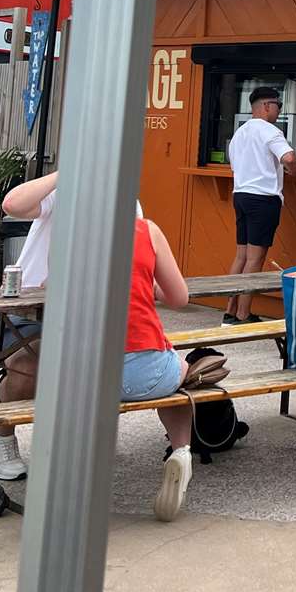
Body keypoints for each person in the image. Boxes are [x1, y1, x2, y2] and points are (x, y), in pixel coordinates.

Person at [0, 172, 143, 481]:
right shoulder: (64, 192)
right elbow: (12, 204)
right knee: (30, 364)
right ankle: (1, 439)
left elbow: (133, 259)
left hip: (85, 313)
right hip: (24, 314)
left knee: (99, 363)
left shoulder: (128, 205)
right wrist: (66, 169)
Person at [123, 216, 195, 522]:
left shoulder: (69, 228)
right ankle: (181, 451)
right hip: (144, 370)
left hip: (84, 376)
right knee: (180, 367)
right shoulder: (146, 230)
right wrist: (151, 286)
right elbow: (180, 298)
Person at [224, 86, 296, 325]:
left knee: (241, 256)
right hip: (263, 199)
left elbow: (234, 165)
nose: (279, 111)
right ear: (267, 105)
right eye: (278, 106)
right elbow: (288, 158)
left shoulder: (240, 133)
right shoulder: (270, 131)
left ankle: (229, 311)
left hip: (241, 194)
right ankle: (243, 315)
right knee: (255, 259)